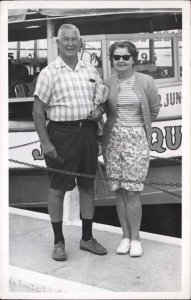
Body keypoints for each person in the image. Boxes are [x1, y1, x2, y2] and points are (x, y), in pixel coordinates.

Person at [32, 24, 107, 261]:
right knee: (58, 189)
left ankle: (86, 239)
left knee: (86, 186)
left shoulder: (90, 69)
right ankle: (58, 242)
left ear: (80, 41)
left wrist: (99, 110)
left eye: (75, 39)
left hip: (87, 133)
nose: (71, 43)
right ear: (58, 43)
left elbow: (100, 100)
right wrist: (45, 141)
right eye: (66, 39)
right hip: (61, 135)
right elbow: (37, 110)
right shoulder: (49, 72)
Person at [102, 41, 160, 257]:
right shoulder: (107, 83)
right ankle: (124, 237)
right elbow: (104, 110)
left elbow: (154, 109)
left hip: (136, 138)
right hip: (113, 139)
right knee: (118, 191)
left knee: (133, 191)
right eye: (116, 57)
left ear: (133, 59)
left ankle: (136, 239)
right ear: (112, 60)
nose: (121, 61)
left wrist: (138, 128)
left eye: (125, 57)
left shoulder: (146, 81)